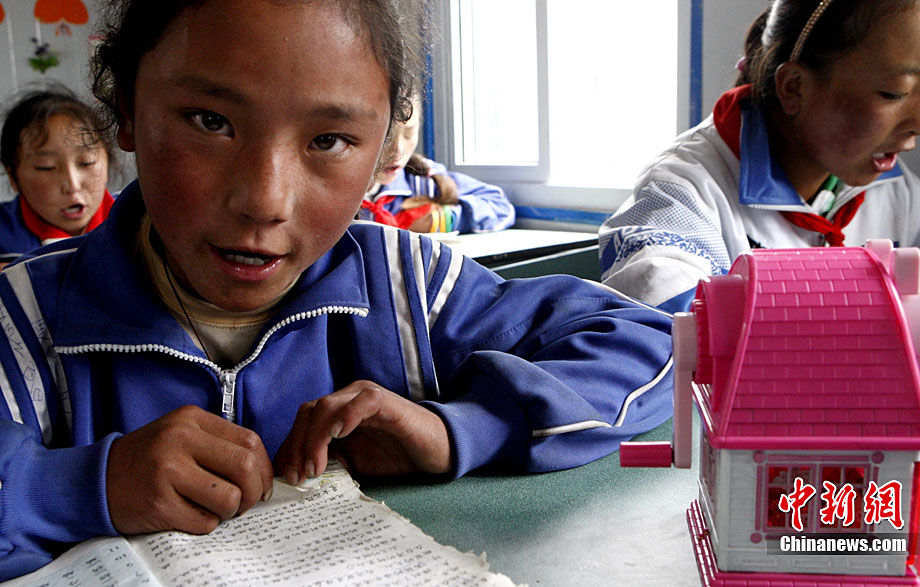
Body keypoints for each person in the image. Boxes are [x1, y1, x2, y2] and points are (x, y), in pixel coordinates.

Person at [0, 0, 674, 580]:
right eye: (210, 121)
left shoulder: (407, 287)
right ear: (126, 108)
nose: (265, 200)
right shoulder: (25, 321)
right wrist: (85, 484)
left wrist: (460, 427)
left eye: (328, 139)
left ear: (385, 148)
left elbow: (647, 342)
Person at [598, 0, 920, 313]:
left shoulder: (895, 189)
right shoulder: (682, 194)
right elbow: (669, 329)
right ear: (794, 87)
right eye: (895, 93)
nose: (917, 123)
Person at [360, 96, 514, 233]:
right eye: (386, 136)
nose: (398, 151)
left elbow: (501, 207)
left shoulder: (423, 181)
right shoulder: (346, 193)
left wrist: (443, 220)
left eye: (409, 133)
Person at [0, 85, 114, 267]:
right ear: (13, 177)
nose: (72, 185)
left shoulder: (139, 220)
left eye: (86, 162)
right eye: (46, 167)